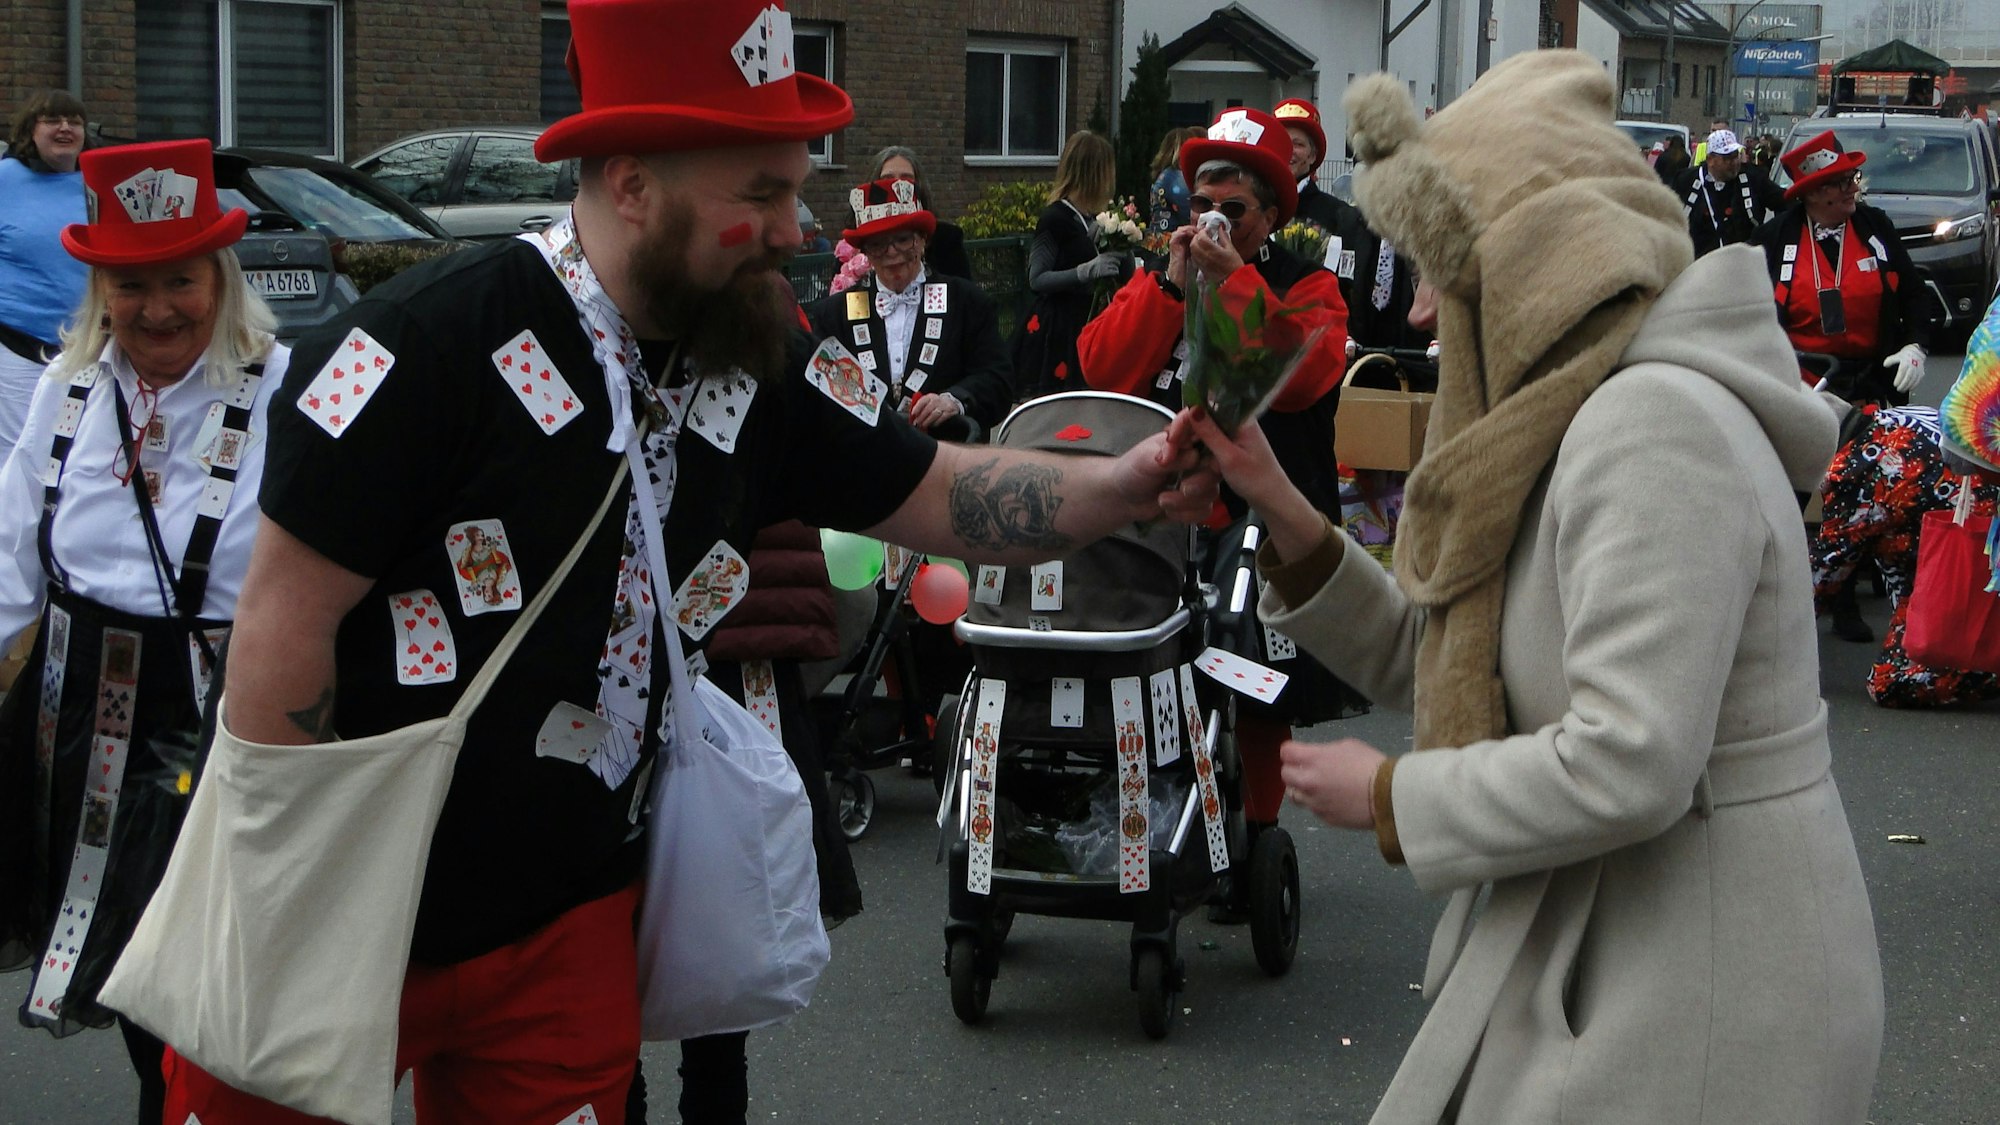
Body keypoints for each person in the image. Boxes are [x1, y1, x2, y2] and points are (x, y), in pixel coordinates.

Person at [159, 2, 1218, 1121]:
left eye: (793, 186)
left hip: (562, 925)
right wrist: (290, 898)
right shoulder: (418, 347)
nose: (797, 228)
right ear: (631, 184)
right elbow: (278, 630)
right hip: (336, 903)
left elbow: (941, 491)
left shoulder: (761, 350)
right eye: (757, 194)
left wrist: (1124, 483)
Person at [1183, 53, 1882, 1122]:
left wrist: (1393, 798)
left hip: (1700, 985)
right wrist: (1277, 504)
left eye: (1437, 277)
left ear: (1522, 269)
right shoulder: (1580, 415)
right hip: (1629, 945)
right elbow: (1470, 655)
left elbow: (1630, 755)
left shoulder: (1651, 426)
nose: (1419, 318)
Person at [0, 137, 285, 1125]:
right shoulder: (66, 388)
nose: (157, 308)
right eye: (130, 285)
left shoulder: (280, 388)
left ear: (221, 277)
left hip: (212, 716)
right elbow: (11, 560)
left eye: (181, 279)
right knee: (117, 959)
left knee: (202, 968)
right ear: (98, 289)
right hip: (76, 719)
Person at [1078, 106, 1360, 919]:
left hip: (1261, 525)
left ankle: (1257, 832)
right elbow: (1100, 366)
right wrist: (1169, 284)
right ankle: (1155, 824)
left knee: (1256, 685)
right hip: (1159, 519)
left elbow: (1302, 374)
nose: (1211, 219)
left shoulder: (1309, 286)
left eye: (1234, 208)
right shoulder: (1161, 273)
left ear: (1270, 216)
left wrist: (1232, 275)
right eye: (1199, 200)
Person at [1812, 401, 2000, 707]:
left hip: (1982, 567)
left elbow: (1820, 578)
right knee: (1890, 534)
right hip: (1983, 541)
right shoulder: (1901, 417)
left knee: (1890, 681)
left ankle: (1985, 663)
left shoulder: (1855, 469)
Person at [804, 178, 1014, 436]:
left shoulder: (968, 302)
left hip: (947, 456)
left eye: (903, 239)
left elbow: (998, 380)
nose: (892, 253)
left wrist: (954, 400)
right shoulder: (834, 313)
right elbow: (816, 393)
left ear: (922, 241)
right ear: (866, 253)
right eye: (878, 244)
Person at [1752, 130, 1942, 407]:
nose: (1855, 188)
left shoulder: (1875, 226)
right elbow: (1745, 312)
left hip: (1869, 384)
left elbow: (1914, 293)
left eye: (1853, 177)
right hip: (1800, 390)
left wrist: (1915, 346)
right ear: (1814, 193)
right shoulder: (1774, 237)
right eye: (1843, 183)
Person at [1276, 97, 1421, 350]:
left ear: (1312, 155)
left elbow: (1353, 288)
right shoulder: (1252, 209)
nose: (1288, 150)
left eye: (1297, 144)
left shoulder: (1341, 216)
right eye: (1281, 142)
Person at [0, 91, 91, 450]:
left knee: (80, 454)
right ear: (30, 131)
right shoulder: (6, 178)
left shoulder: (97, 182)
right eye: (53, 120)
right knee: (20, 454)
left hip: (90, 348)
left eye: (75, 121)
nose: (65, 128)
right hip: (17, 347)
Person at [1012, 130, 1123, 400]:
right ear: (1094, 173)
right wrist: (1084, 271)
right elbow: (1036, 279)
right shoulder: (1055, 218)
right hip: (1059, 330)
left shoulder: (1094, 219)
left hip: (1090, 322)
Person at [1673, 128, 1785, 257]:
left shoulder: (1753, 178)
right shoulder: (1685, 180)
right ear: (1710, 159)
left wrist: (1766, 236)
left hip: (1742, 264)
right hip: (1699, 265)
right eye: (1727, 158)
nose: (1734, 162)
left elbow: (1785, 202)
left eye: (1735, 155)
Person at [871, 146, 971, 280]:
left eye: (906, 179)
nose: (897, 186)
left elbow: (962, 296)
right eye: (887, 179)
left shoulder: (946, 239)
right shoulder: (856, 244)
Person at [1146, 125, 1201, 234]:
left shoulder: (1164, 175)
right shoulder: (1176, 178)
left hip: (1157, 236)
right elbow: (1189, 212)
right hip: (1170, 241)